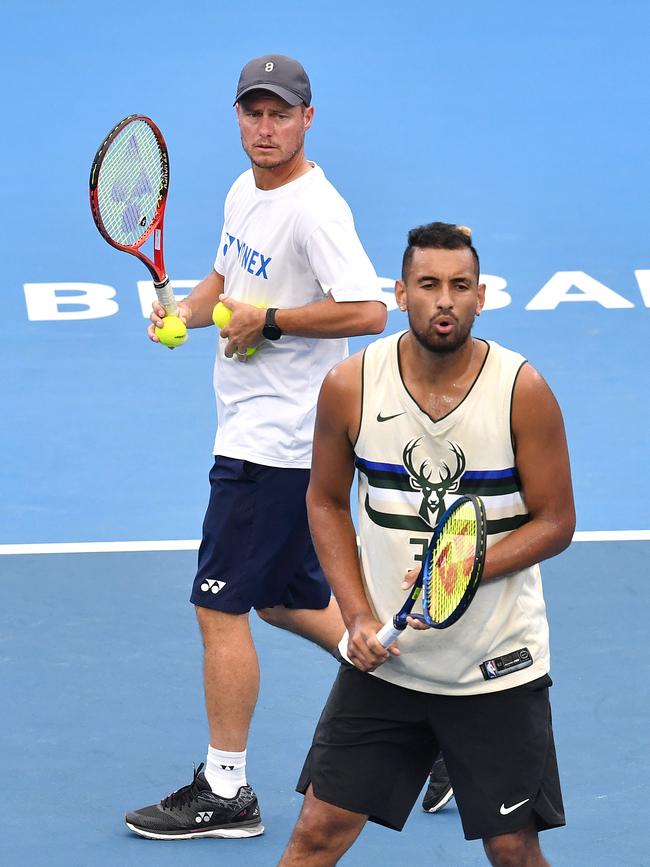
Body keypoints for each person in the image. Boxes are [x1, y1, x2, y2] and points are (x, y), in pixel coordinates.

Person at [124, 54, 387, 841]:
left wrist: (269, 322)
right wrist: (188, 314)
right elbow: (221, 279)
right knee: (287, 600)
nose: (265, 128)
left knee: (219, 605)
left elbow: (369, 311)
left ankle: (226, 787)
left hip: (275, 442)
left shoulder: (316, 209)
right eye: (253, 113)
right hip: (262, 433)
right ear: (239, 116)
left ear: (309, 119)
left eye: (280, 115)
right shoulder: (246, 190)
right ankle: (421, 705)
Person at [279, 222, 575, 866]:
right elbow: (324, 502)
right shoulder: (351, 385)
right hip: (390, 665)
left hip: (495, 668)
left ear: (481, 296)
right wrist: (356, 616)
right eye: (429, 284)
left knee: (512, 848)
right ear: (401, 293)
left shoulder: (521, 391)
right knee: (317, 831)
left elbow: (557, 521)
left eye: (460, 286)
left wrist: (461, 571)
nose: (445, 299)